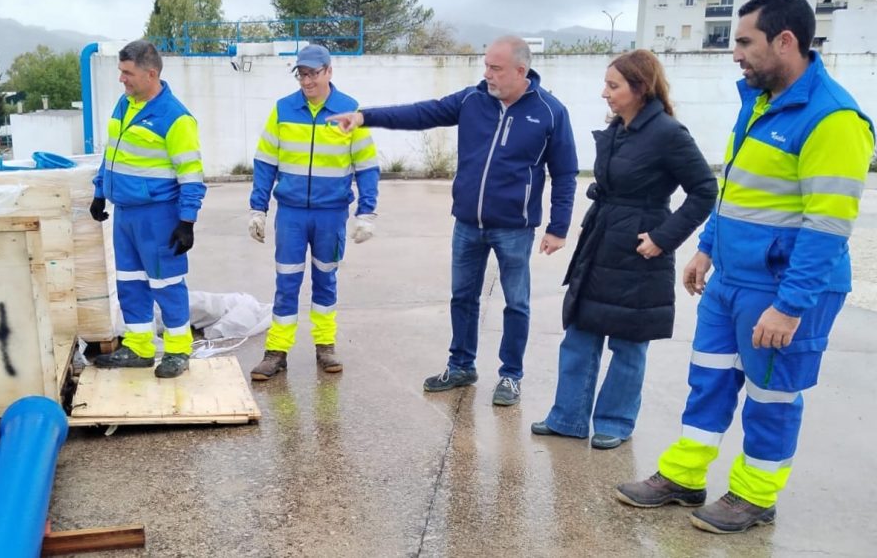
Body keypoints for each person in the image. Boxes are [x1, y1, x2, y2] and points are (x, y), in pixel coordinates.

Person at [615, 0, 873, 534]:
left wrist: (790, 306)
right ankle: (684, 476)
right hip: (733, 278)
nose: (735, 54)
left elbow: (828, 226)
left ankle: (755, 496)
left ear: (785, 41)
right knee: (708, 378)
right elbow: (733, 189)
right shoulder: (757, 101)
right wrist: (707, 248)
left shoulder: (833, 118)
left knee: (771, 395)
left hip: (783, 286)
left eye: (744, 42)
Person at [329, 35, 578, 406]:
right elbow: (422, 113)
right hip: (467, 224)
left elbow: (565, 172)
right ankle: (461, 365)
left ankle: (510, 376)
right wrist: (365, 117)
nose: (487, 74)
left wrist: (558, 228)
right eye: (486, 65)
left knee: (516, 303)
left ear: (521, 70)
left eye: (495, 68)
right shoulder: (472, 100)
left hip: (515, 227)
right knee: (463, 297)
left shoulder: (549, 111)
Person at [530, 50, 717, 449]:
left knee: (629, 342)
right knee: (579, 334)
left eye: (613, 86)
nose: (605, 93)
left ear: (640, 88)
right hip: (600, 243)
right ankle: (568, 417)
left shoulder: (668, 133)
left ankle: (614, 422)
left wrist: (663, 237)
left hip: (639, 251)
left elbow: (705, 190)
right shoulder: (618, 129)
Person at [247, 44, 380, 380]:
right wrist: (258, 208)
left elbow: (366, 166)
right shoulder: (283, 110)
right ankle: (277, 351)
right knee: (286, 281)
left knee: (325, 279)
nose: (306, 81)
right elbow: (265, 162)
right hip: (291, 214)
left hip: (330, 215)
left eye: (313, 74)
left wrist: (366, 212)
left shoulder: (349, 111)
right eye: (301, 74)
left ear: (329, 72)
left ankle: (325, 346)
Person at [89, 40, 207, 378]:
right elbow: (112, 153)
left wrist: (187, 221)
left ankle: (178, 350)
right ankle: (139, 347)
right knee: (130, 282)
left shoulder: (176, 118)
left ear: (151, 74)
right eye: (121, 71)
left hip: (158, 215)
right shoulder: (124, 105)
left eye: (128, 73)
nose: (121, 79)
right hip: (125, 213)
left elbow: (191, 175)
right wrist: (100, 191)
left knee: (167, 283)